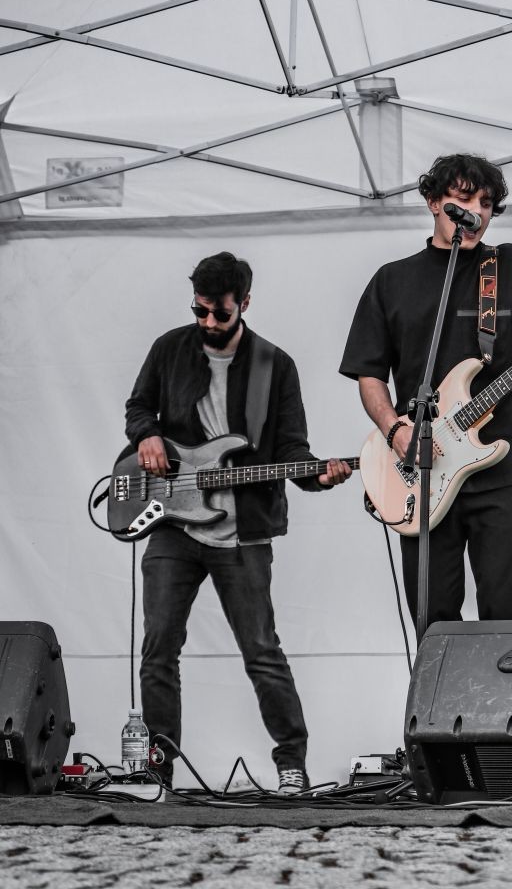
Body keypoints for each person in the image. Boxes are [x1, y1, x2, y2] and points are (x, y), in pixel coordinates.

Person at [125, 251, 351, 793]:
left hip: (243, 533)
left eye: (219, 313)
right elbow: (139, 407)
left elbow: (292, 450)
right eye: (199, 310)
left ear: (244, 303)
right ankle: (158, 771)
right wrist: (147, 435)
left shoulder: (275, 366)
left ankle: (291, 764)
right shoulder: (169, 348)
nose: (207, 322)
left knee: (262, 653)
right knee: (158, 651)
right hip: (173, 526)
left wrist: (320, 475)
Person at [339, 154, 512, 625]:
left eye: (486, 203)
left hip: (501, 473)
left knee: (508, 617)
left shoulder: (510, 266)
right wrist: (395, 432)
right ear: (433, 202)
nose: (477, 212)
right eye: (464, 199)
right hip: (423, 472)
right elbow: (369, 375)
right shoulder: (391, 281)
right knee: (434, 620)